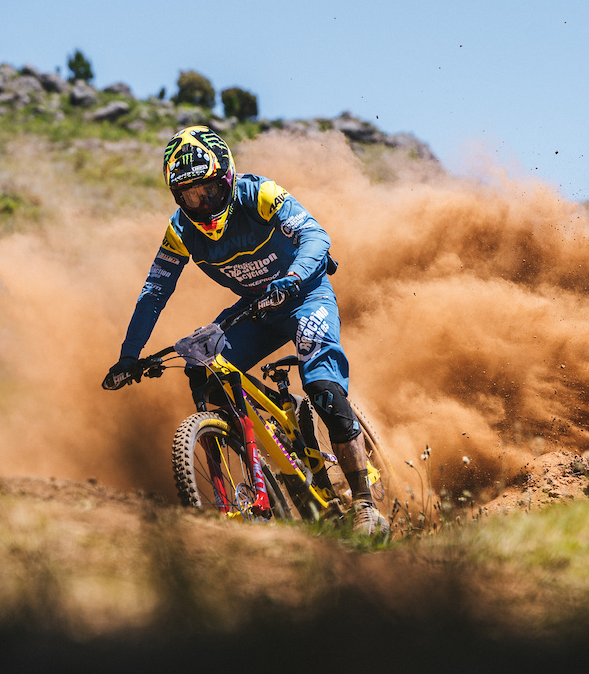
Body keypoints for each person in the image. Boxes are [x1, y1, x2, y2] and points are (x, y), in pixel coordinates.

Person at [103, 125, 388, 536]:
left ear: (228, 177)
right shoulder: (180, 232)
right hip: (256, 309)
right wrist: (129, 356)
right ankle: (276, 471)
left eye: (210, 192)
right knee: (202, 370)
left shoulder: (260, 194)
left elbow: (315, 235)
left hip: (305, 295)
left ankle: (364, 506)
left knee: (322, 388)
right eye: (189, 196)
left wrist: (292, 278)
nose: (201, 204)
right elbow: (154, 293)